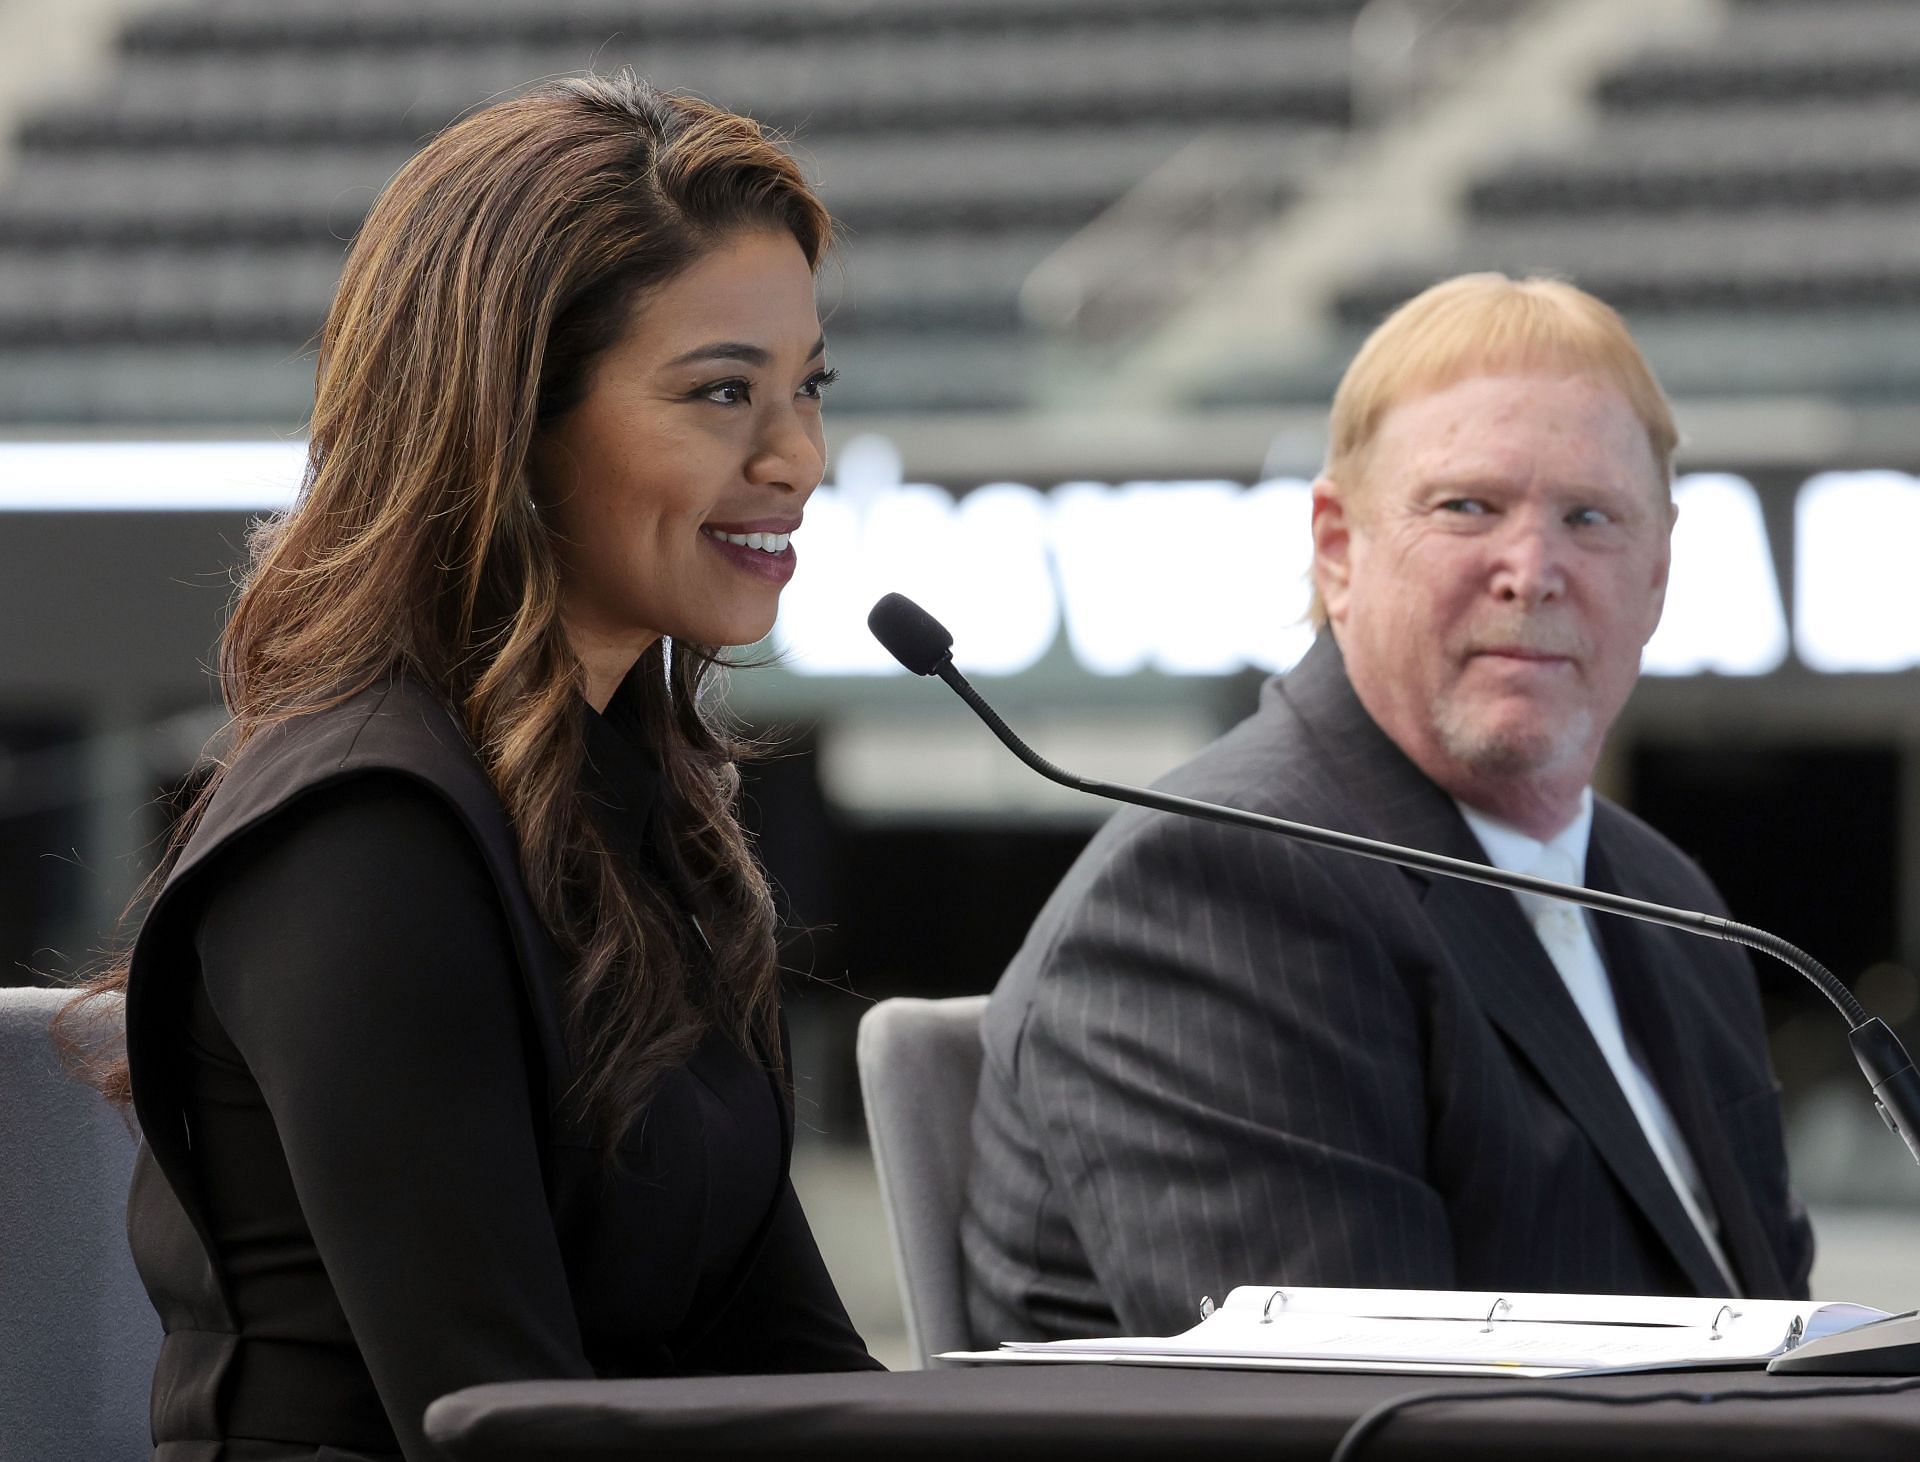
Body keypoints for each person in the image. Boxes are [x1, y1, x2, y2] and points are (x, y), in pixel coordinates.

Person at [58, 72, 879, 1461]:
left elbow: (796, 1359)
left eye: (807, 389)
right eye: (723, 392)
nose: (798, 456)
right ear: (510, 423)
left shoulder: (641, 811)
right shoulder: (363, 833)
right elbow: (499, 1422)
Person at [963, 274, 1814, 1344]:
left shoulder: (1674, 905)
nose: (1534, 569)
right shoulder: (1221, 889)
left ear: (1658, 573)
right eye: (1468, 506)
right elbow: (1362, 1418)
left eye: (1590, 516)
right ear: (1336, 547)